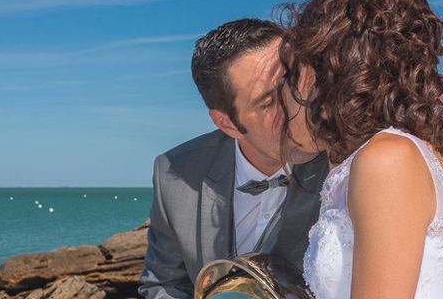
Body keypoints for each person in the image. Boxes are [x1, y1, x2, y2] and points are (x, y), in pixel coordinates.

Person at [277, 0, 443, 298]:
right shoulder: (381, 157)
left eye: (288, 74)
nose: (280, 93)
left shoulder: (387, 159)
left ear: (324, 76)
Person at [138, 18, 329, 298]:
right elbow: (163, 284)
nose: (295, 106)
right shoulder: (174, 172)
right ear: (227, 124)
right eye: (268, 102)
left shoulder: (348, 160)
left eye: (293, 84)